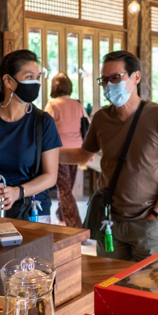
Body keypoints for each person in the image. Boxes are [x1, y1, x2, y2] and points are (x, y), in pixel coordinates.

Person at [59, 51, 158, 262]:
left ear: (136, 77)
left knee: (150, 286)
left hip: (147, 223)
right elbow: (82, 155)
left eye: (115, 78)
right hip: (109, 221)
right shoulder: (101, 118)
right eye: (104, 80)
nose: (108, 85)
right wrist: (44, 153)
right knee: (111, 285)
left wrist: (157, 213)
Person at [0, 50, 62, 222]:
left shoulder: (43, 122)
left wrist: (18, 192)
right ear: (8, 81)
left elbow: (50, 177)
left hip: (32, 211)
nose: (36, 82)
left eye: (38, 77)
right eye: (29, 76)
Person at [45, 73, 88, 228]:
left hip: (60, 153)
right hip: (77, 151)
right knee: (67, 187)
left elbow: (45, 127)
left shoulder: (52, 104)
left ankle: (75, 227)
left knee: (64, 189)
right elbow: (87, 124)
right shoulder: (77, 104)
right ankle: (61, 215)